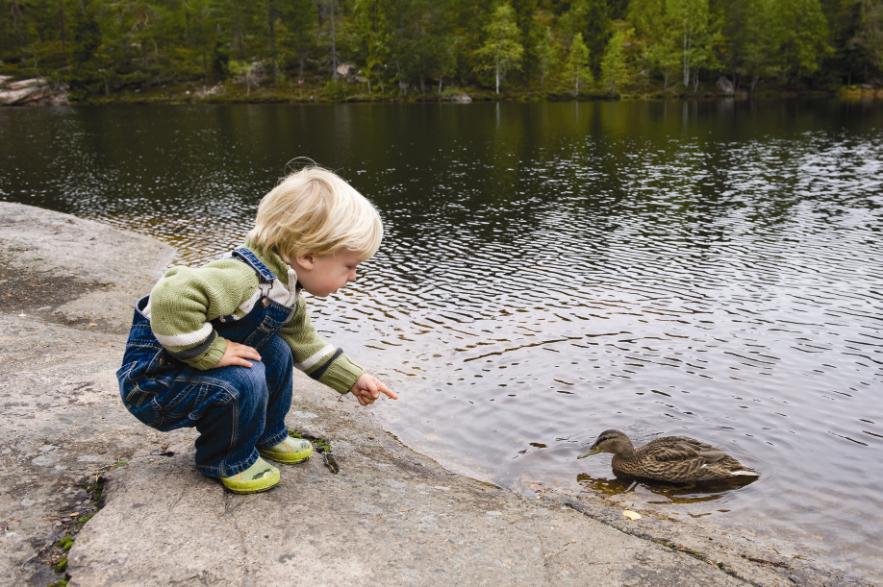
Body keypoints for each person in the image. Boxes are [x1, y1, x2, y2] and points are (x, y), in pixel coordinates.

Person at [117, 165, 398, 494]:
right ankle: (226, 459)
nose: (353, 277)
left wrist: (353, 378)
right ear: (307, 256)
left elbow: (305, 344)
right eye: (349, 266)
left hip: (189, 371)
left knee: (278, 350)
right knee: (245, 377)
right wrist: (211, 350)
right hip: (157, 383)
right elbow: (172, 297)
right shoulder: (242, 278)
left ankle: (267, 434)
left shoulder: (285, 289)